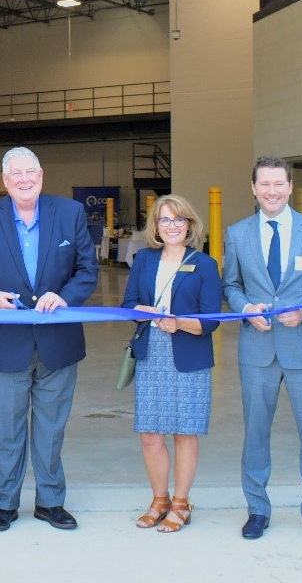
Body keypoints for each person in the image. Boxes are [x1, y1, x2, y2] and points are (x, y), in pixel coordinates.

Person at [0, 146, 99, 532]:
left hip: (59, 343)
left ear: (42, 175)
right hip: (7, 343)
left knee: (51, 430)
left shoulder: (68, 213)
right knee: (9, 429)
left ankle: (50, 502)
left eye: (30, 172)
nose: (24, 179)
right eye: (15, 174)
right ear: (5, 181)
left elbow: (88, 269)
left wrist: (66, 296)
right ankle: (5, 503)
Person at [222, 155, 302, 543]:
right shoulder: (237, 233)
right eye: (265, 184)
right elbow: (231, 286)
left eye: (279, 184)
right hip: (257, 349)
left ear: (291, 187)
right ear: (253, 189)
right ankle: (257, 509)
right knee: (256, 433)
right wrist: (245, 309)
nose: (272, 191)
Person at [121, 194, 222, 533]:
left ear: (190, 224)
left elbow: (211, 321)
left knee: (184, 433)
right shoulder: (144, 259)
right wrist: (145, 312)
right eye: (165, 220)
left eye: (179, 220)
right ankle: (159, 499)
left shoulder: (205, 264)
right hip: (152, 353)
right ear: (156, 226)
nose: (172, 226)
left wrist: (178, 323)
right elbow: (129, 304)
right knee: (150, 434)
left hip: (189, 354)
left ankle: (181, 502)